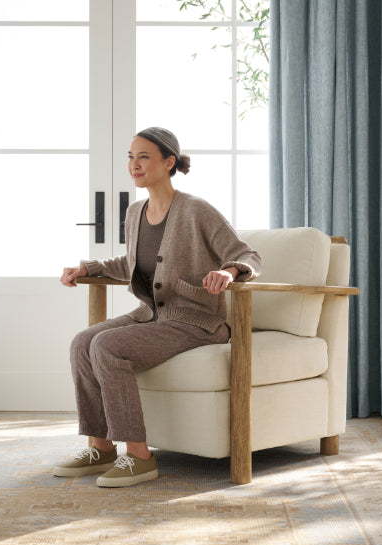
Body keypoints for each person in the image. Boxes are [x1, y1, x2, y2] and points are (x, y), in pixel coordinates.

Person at [54, 127, 262, 488]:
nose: (134, 165)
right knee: (82, 342)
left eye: (143, 157)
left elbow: (247, 254)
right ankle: (101, 447)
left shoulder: (196, 210)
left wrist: (228, 272)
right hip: (152, 315)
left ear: (169, 162)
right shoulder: (136, 212)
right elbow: (132, 264)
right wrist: (89, 268)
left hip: (196, 321)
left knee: (108, 346)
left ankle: (139, 457)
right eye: (130, 157)